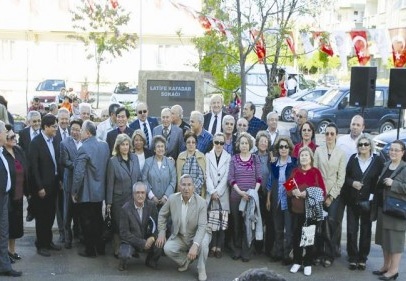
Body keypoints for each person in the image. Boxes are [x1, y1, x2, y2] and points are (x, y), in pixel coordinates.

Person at [156, 174, 211, 281]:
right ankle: (185, 261)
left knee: (203, 244)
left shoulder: (201, 202)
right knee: (167, 248)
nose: (186, 188)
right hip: (180, 236)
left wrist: (195, 245)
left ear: (193, 187)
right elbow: (162, 215)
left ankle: (201, 269)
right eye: (183, 185)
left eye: (189, 185)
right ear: (179, 187)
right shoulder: (172, 199)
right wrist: (162, 232)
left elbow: (202, 226)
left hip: (198, 234)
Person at [341, 135, 383, 271]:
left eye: (365, 144)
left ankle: (362, 258)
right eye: (360, 145)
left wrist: (373, 195)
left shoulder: (377, 160)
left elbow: (380, 180)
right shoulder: (353, 159)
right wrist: (352, 183)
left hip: (368, 202)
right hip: (352, 201)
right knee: (352, 231)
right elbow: (345, 177)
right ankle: (353, 258)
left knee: (366, 231)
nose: (363, 147)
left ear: (370, 145)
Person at [71, 120, 110, 258]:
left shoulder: (83, 148)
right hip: (100, 191)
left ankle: (90, 250)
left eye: (81, 130)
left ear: (87, 133)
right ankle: (100, 248)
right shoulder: (104, 146)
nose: (80, 132)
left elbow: (78, 173)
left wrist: (74, 191)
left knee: (87, 222)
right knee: (98, 219)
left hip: (87, 192)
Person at [287, 146, 326, 276]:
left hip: (311, 211)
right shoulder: (295, 172)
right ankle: (297, 261)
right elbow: (287, 189)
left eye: (306, 155)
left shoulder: (316, 172)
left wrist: (306, 193)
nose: (304, 157)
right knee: (296, 236)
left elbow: (322, 192)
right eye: (302, 155)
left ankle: (308, 263)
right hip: (296, 210)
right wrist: (293, 191)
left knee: (309, 237)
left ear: (310, 158)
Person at [29, 114, 62, 257]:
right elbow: (33, 168)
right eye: (54, 126)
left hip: (54, 184)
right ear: (46, 127)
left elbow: (56, 161)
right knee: (42, 217)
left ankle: (48, 241)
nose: (56, 129)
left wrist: (59, 179)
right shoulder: (36, 143)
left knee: (50, 215)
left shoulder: (54, 140)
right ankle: (41, 244)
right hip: (42, 187)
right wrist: (39, 187)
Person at [313, 123, 346, 267]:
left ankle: (329, 255)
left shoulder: (341, 153)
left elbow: (341, 178)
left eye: (332, 134)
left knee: (332, 225)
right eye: (327, 133)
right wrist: (319, 193)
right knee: (319, 224)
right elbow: (314, 172)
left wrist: (331, 196)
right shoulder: (318, 151)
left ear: (336, 135)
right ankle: (319, 253)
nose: (329, 136)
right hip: (319, 192)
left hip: (334, 195)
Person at [374, 140, 406, 280]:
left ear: (402, 152)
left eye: (396, 150)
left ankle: (394, 270)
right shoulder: (386, 165)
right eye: (391, 149)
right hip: (383, 208)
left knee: (395, 241)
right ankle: (386, 266)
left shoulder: (405, 168)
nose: (392, 152)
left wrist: (394, 184)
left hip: (397, 210)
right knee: (384, 240)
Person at [228, 132, 262, 262]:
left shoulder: (255, 159)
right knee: (236, 225)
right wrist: (240, 192)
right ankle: (237, 250)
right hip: (237, 196)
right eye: (241, 143)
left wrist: (252, 192)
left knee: (248, 225)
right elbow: (230, 178)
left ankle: (246, 251)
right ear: (238, 145)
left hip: (251, 198)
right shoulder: (234, 158)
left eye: (246, 143)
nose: (244, 145)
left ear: (250, 145)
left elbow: (259, 178)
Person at [106, 134, 142, 257]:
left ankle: (133, 249)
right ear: (118, 146)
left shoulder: (135, 158)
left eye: (127, 144)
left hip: (134, 199)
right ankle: (118, 250)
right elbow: (110, 183)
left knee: (133, 224)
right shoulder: (113, 161)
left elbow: (139, 178)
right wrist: (109, 203)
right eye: (122, 145)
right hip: (119, 200)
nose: (125, 147)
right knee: (119, 226)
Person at [335, 115, 365, 257]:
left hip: (356, 188)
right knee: (336, 219)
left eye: (358, 125)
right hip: (341, 184)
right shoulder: (341, 141)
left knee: (353, 225)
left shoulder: (366, 142)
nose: (355, 127)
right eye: (353, 124)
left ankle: (352, 253)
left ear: (363, 127)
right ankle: (334, 249)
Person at [266, 136, 297, 265]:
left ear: (289, 148)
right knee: (277, 229)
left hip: (289, 201)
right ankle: (277, 252)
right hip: (276, 200)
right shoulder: (274, 164)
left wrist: (287, 186)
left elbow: (297, 181)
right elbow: (270, 182)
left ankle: (287, 255)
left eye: (286, 147)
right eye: (281, 147)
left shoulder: (294, 163)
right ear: (278, 149)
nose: (283, 149)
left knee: (288, 230)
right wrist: (268, 199)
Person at [118, 182, 161, 271]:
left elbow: (157, 225)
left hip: (148, 239)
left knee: (160, 243)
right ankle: (123, 262)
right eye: (137, 193)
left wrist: (152, 237)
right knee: (124, 254)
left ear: (146, 194)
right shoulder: (125, 209)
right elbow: (124, 233)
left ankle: (150, 260)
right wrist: (141, 242)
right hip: (131, 241)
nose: (140, 195)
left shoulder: (151, 206)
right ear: (133, 194)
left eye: (142, 193)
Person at [3, 125, 28, 264]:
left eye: (15, 136)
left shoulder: (18, 150)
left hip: (18, 194)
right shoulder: (2, 154)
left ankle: (12, 251)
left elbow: (25, 169)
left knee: (15, 225)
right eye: (11, 137)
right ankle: (5, 253)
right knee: (5, 225)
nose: (14, 139)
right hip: (7, 194)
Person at [0, 120, 22, 277]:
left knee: (3, 234)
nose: (6, 134)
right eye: (3, 131)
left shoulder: (1, 152)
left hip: (4, 197)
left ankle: (4, 265)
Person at [205, 132, 231, 259]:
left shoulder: (228, 157)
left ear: (224, 143)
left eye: (221, 143)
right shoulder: (207, 155)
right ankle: (212, 246)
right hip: (211, 193)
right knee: (212, 221)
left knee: (222, 221)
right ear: (213, 142)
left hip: (222, 194)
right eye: (217, 142)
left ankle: (219, 246)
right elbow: (207, 175)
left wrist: (218, 192)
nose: (219, 145)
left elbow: (227, 176)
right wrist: (212, 191)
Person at [60, 119, 83, 249]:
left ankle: (79, 234)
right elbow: (64, 161)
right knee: (67, 212)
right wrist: (79, 166)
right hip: (69, 182)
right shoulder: (64, 143)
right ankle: (67, 238)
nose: (74, 132)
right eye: (72, 129)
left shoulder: (85, 142)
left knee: (79, 212)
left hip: (82, 184)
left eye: (77, 129)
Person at [142, 135, 176, 211]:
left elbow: (173, 181)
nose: (160, 149)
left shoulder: (170, 163)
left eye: (162, 146)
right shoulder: (148, 162)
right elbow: (144, 180)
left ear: (165, 148)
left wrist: (166, 196)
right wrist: (152, 196)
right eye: (158, 146)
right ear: (154, 149)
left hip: (166, 201)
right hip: (151, 201)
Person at [254, 131, 272, 256]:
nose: (263, 144)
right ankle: (257, 246)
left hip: (269, 193)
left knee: (269, 221)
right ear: (257, 143)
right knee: (257, 220)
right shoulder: (252, 156)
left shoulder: (272, 158)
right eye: (261, 141)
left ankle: (268, 248)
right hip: (257, 192)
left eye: (266, 141)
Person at [54, 108, 71, 243]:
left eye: (66, 119)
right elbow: (54, 159)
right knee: (60, 207)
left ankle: (73, 232)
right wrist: (59, 179)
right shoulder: (54, 135)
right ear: (58, 120)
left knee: (72, 206)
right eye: (62, 119)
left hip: (73, 178)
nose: (64, 121)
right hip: (59, 179)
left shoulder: (74, 132)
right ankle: (62, 232)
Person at [176, 132, 206, 197]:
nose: (191, 144)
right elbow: (179, 177)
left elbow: (201, 177)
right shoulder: (180, 157)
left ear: (196, 144)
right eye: (188, 142)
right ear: (185, 144)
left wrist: (191, 190)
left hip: (197, 194)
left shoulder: (201, 157)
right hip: (183, 193)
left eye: (193, 142)